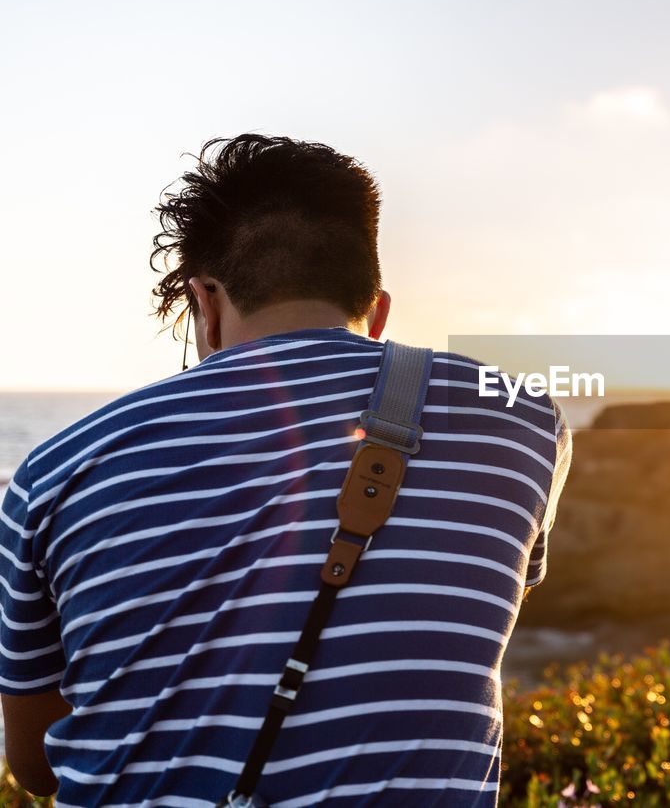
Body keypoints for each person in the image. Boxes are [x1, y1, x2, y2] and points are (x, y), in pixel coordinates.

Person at [0, 134, 571, 805]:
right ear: (377, 310)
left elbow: (38, 765)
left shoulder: (55, 470)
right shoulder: (523, 421)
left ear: (205, 304)